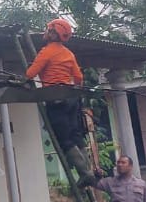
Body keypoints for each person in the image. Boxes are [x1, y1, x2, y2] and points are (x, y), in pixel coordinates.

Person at [25, 18, 96, 186]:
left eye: (48, 29)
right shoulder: (68, 53)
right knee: (75, 135)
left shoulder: (46, 52)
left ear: (53, 33)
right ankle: (88, 171)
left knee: (64, 139)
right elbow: (78, 77)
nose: (45, 31)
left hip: (55, 98)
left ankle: (85, 173)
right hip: (71, 97)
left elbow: (30, 74)